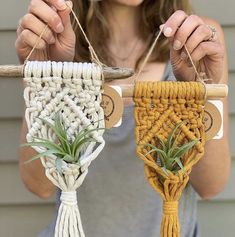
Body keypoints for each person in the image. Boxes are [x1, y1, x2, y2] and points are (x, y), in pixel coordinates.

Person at [16, 0, 231, 236]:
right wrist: (48, 80)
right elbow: (40, 185)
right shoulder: (54, 40)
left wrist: (203, 93)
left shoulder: (198, 42)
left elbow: (211, 185)